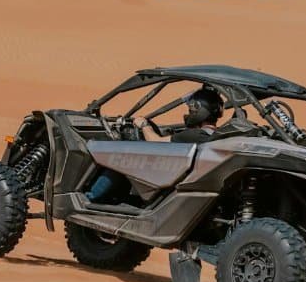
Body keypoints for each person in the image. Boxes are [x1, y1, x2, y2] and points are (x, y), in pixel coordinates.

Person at [85, 87, 224, 203]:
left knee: (123, 154)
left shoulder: (195, 135)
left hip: (167, 181)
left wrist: (144, 125)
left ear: (198, 111)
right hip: (180, 179)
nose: (188, 114)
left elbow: (156, 142)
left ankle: (91, 198)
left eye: (190, 111)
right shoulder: (213, 135)